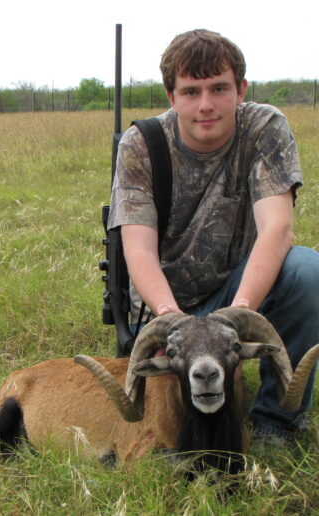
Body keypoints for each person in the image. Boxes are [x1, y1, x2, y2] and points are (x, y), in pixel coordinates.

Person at [107, 29, 319, 444]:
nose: (205, 105)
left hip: (234, 299)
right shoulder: (141, 145)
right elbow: (138, 249)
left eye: (219, 88)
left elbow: (278, 230)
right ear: (172, 97)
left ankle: (277, 423)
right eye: (191, 91)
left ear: (240, 89)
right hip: (166, 309)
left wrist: (232, 329)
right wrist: (173, 324)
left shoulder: (265, 128)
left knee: (307, 271)